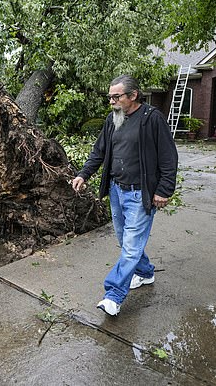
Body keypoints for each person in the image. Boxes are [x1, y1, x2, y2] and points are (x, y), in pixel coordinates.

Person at [72, 75, 178, 317]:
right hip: (117, 190)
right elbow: (99, 151)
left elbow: (169, 158)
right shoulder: (113, 119)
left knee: (130, 247)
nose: (111, 101)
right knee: (126, 241)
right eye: (110, 97)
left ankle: (113, 295)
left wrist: (164, 190)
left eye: (116, 97)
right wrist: (83, 174)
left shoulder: (152, 119)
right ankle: (145, 272)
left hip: (141, 194)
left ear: (133, 95)